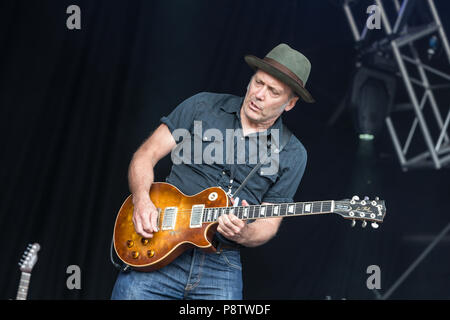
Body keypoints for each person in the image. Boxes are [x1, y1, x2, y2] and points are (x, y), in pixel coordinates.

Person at [111, 43, 314, 300]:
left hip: (221, 264)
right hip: (158, 241)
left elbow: (270, 223)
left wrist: (246, 233)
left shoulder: (293, 153)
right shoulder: (202, 106)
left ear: (290, 103)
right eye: (258, 82)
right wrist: (141, 200)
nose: (259, 94)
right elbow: (145, 155)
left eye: (273, 91)